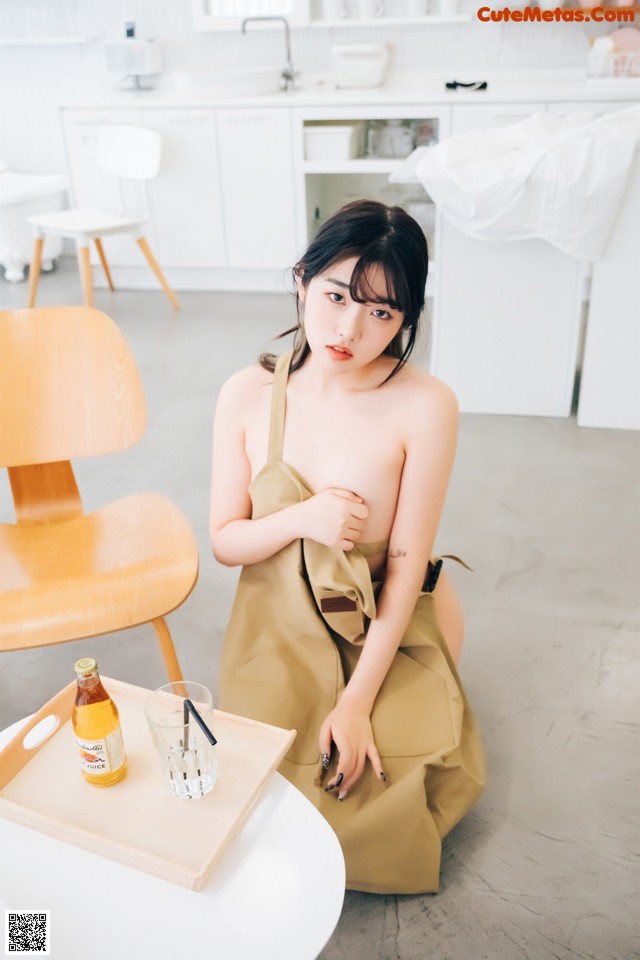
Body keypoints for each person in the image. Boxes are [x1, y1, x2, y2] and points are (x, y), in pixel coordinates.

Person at [209, 199, 485, 895]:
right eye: (336, 296)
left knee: (373, 800)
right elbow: (226, 541)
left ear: (407, 319)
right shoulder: (247, 394)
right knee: (260, 806)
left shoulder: (427, 404)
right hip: (276, 624)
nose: (350, 329)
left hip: (382, 623)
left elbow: (404, 566)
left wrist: (358, 702)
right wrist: (304, 517)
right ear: (302, 280)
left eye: (383, 313)